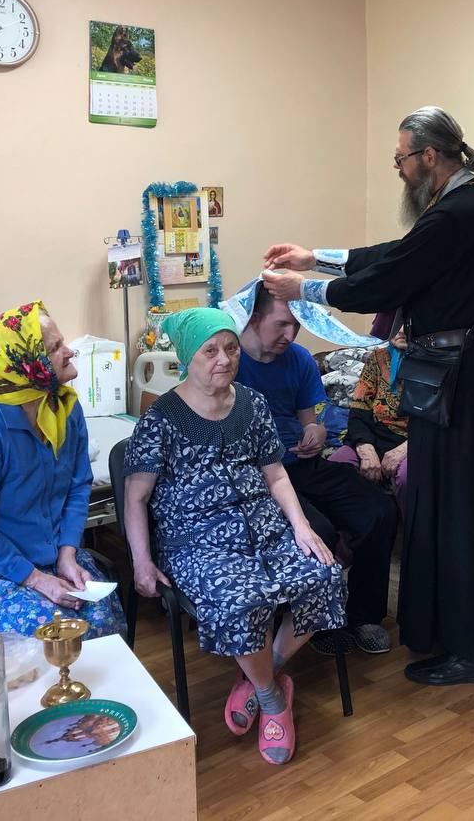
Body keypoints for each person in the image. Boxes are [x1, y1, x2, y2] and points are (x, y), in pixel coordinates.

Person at [260, 105, 474, 685]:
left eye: (401, 158)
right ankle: (461, 632)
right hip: (455, 371)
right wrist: (315, 258)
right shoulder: (460, 204)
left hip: (461, 376)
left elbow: (388, 279)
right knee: (447, 503)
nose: (399, 169)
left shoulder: (459, 210)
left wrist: (305, 288)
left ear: (429, 155)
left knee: (459, 509)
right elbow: (396, 254)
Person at [122, 308, 343, 765]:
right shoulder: (160, 418)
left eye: (231, 348)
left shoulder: (252, 404)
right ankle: (273, 700)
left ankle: (262, 677)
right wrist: (142, 562)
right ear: (188, 357)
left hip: (265, 528)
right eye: (210, 351)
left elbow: (276, 474)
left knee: (327, 576)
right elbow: (135, 497)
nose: (223, 359)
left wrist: (301, 527)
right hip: (196, 540)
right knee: (240, 600)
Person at [0, 302, 125, 639]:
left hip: (51, 555)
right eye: (55, 347)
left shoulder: (64, 408)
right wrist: (36, 579)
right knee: (58, 635)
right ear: (24, 364)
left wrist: (67, 553)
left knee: (103, 623)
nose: (69, 351)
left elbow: (78, 485)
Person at [235, 288, 397, 655]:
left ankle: (362, 616)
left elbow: (309, 420)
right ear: (254, 318)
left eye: (296, 326)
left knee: (379, 511)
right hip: (257, 477)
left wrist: (316, 432)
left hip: (303, 464)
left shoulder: (299, 359)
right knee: (316, 530)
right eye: (281, 324)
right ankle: (315, 625)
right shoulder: (230, 361)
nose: (290, 335)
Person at [327, 326, 410, 514]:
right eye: (396, 322)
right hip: (373, 436)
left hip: (411, 443)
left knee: (407, 478)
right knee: (336, 466)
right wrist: (365, 448)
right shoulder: (377, 359)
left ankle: (412, 530)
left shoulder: (433, 363)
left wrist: (402, 451)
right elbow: (358, 410)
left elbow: (436, 424)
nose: (401, 330)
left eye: (408, 322)